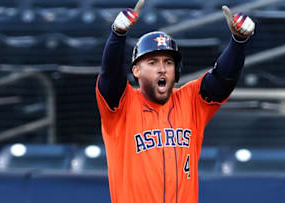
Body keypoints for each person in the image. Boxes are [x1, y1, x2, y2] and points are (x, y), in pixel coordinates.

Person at [95, 2, 255, 203]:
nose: (162, 69)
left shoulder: (191, 102)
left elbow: (222, 78)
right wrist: (117, 36)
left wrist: (238, 42)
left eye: (168, 62)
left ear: (176, 71)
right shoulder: (121, 106)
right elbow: (110, 76)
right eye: (152, 62)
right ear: (136, 70)